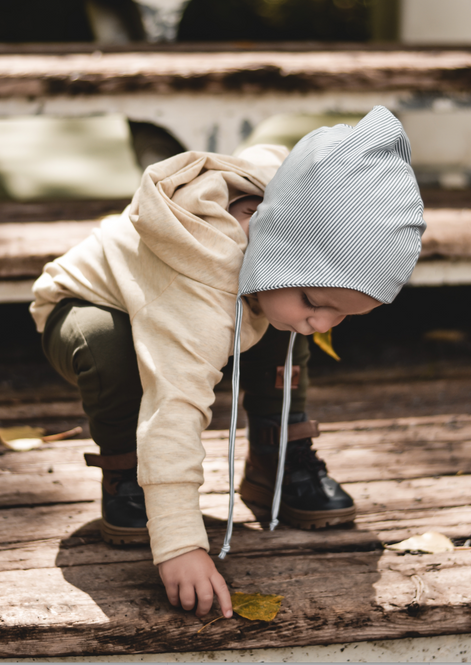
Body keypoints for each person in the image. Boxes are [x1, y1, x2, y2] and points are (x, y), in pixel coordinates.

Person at [30, 105, 425, 621]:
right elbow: (171, 411)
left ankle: (277, 456)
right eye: (316, 300)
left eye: (342, 314)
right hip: (88, 311)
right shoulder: (198, 292)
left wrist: (306, 302)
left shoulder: (279, 206)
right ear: (278, 248)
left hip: (227, 298)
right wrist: (179, 545)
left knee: (283, 324)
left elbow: (275, 159)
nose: (324, 322)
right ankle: (125, 476)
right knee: (113, 349)